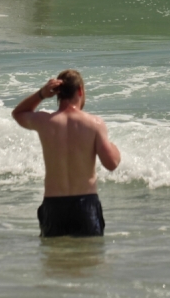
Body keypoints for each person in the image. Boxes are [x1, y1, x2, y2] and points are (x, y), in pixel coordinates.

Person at [12, 69, 121, 237]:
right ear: (80, 91)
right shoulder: (94, 124)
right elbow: (111, 163)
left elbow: (18, 113)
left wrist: (41, 94)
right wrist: (114, 148)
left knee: (56, 259)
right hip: (85, 205)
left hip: (54, 206)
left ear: (57, 93)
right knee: (88, 259)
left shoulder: (45, 121)